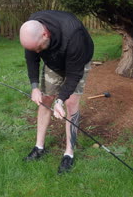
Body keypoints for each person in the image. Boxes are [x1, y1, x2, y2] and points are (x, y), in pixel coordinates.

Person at [19, 10, 94, 174]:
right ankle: (39, 147)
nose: (37, 51)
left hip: (77, 61)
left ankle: (69, 153)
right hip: (53, 62)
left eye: (38, 48)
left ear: (45, 34)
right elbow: (32, 59)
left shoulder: (74, 34)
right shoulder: (32, 30)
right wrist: (34, 87)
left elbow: (74, 75)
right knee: (45, 100)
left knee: (71, 103)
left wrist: (60, 100)